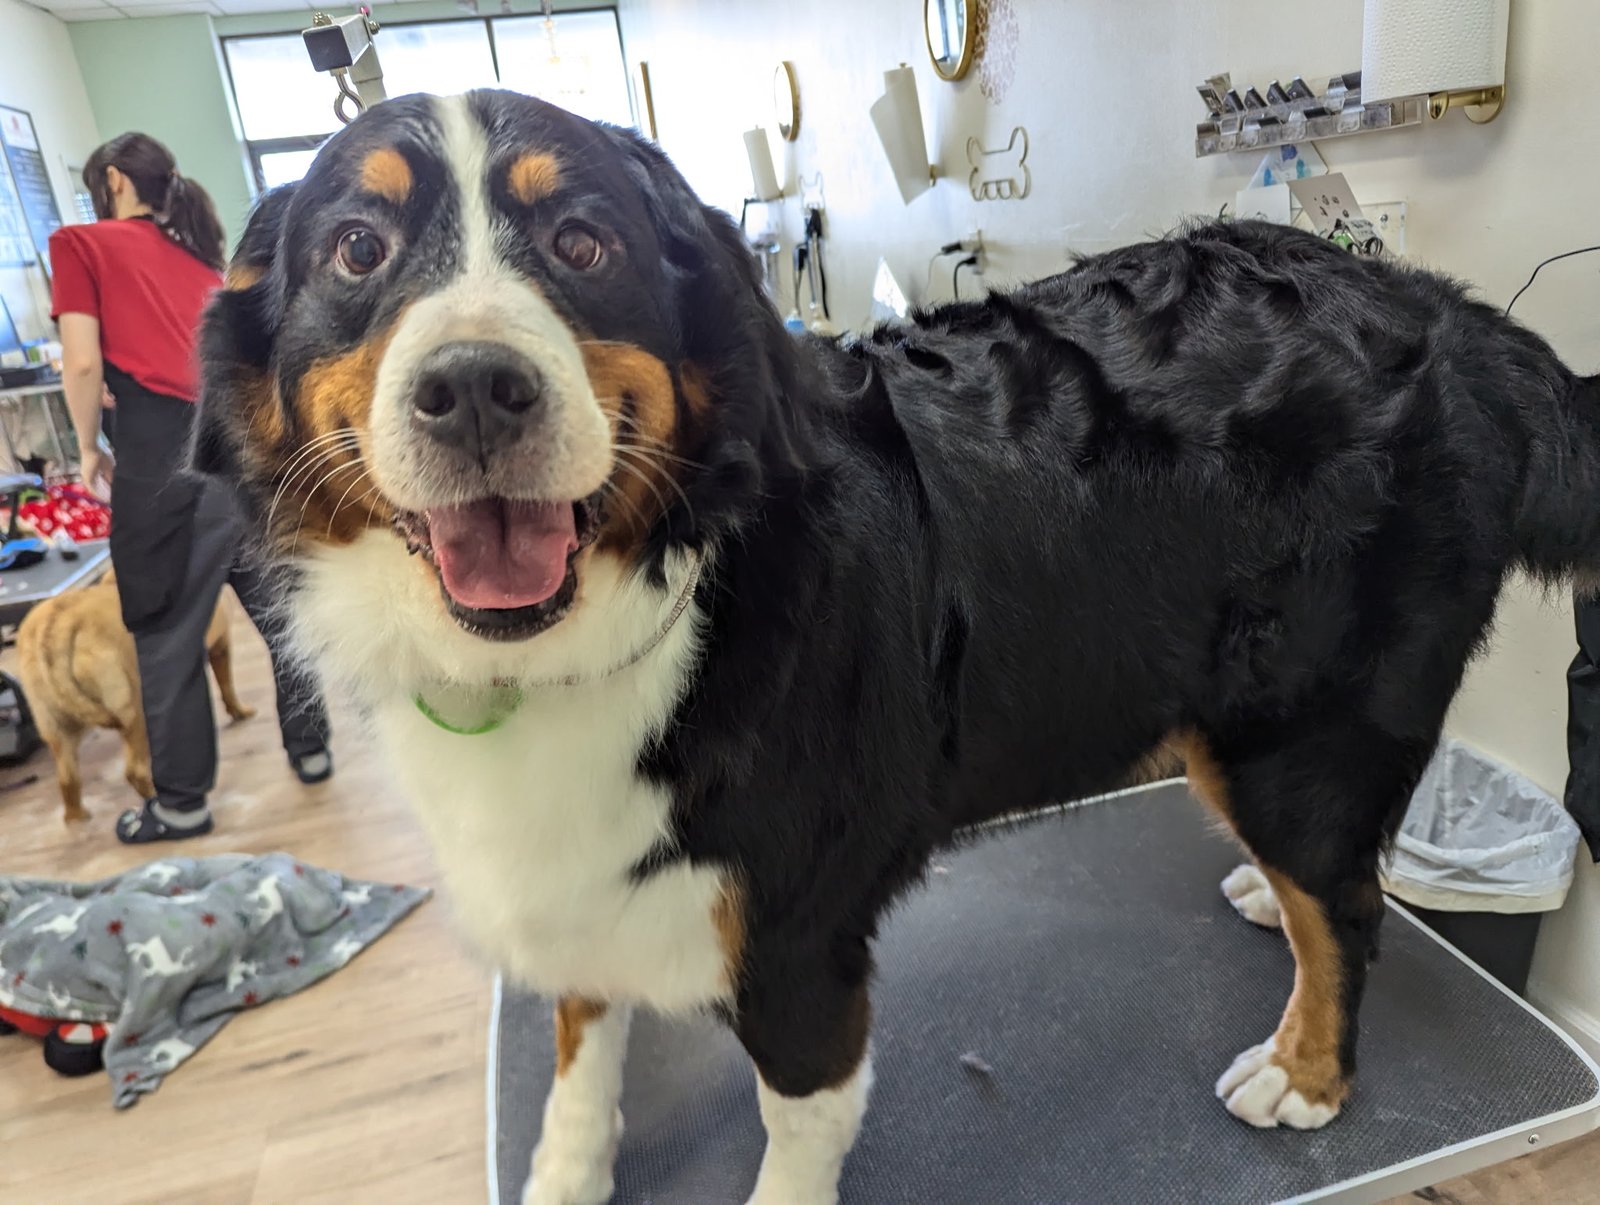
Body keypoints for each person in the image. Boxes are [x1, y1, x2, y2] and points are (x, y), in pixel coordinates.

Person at [49, 132, 333, 844]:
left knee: (166, 632)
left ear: (113, 180)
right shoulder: (198, 260)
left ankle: (180, 803)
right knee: (279, 613)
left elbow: (80, 364)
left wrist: (86, 446)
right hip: (236, 451)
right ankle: (312, 748)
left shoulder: (79, 244)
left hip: (161, 464)